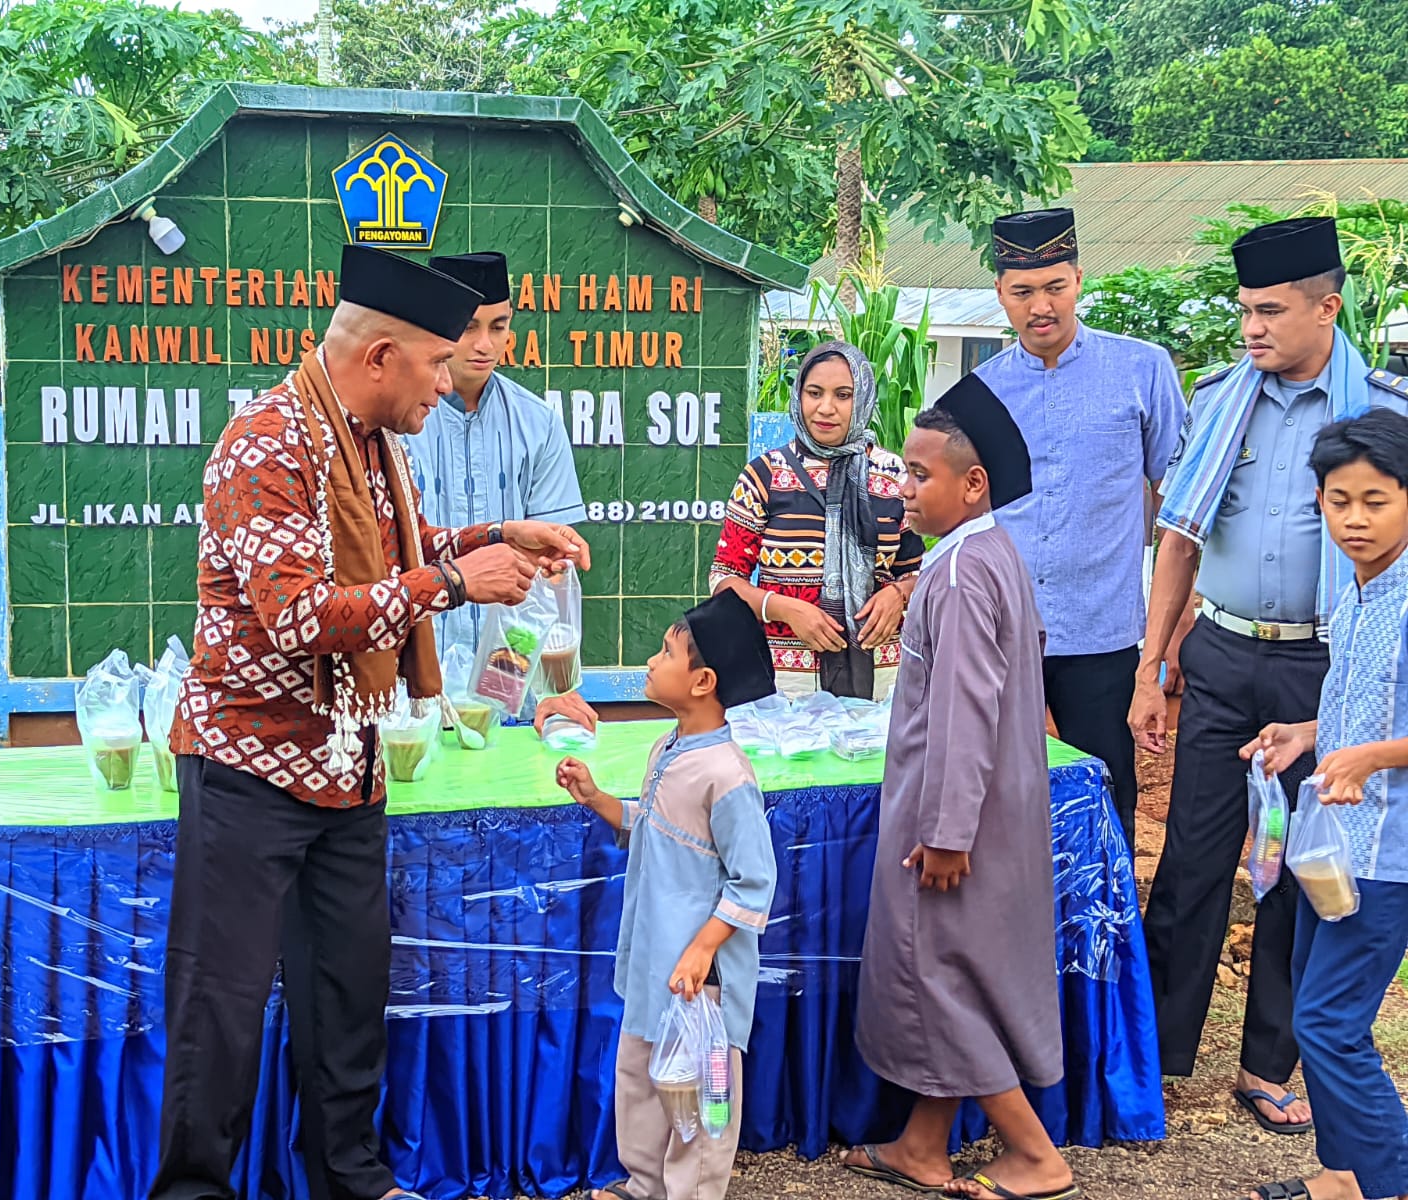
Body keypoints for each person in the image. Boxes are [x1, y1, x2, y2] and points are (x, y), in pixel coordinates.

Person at [152, 244, 589, 1200]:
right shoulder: (264, 442)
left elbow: (398, 552)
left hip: (347, 761)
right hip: (248, 767)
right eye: (439, 361)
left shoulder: (373, 444)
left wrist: (491, 537)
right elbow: (301, 613)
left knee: (347, 990)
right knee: (219, 1006)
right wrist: (450, 584)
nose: (451, 379)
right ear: (382, 356)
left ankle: (349, 1176)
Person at [1132, 216, 1408, 1136]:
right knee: (1193, 859)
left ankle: (1267, 1064)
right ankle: (1164, 1058)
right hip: (1219, 653)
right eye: (1245, 310)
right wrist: (1151, 664)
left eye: (1272, 311)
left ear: (1327, 308)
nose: (1252, 328)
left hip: (1325, 668)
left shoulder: (1382, 414)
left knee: (1300, 868)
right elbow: (1180, 537)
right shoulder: (1220, 402)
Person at [845, 374, 1076, 1200]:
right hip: (990, 810)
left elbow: (964, 714)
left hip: (956, 823)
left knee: (939, 977)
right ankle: (921, 1145)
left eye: (919, 474)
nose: (902, 490)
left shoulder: (954, 575)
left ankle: (1035, 1155)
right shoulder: (989, 556)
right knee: (947, 967)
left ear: (972, 485)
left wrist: (944, 831)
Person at [556, 587, 778, 1200]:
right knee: (643, 1078)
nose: (652, 662)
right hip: (654, 964)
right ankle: (645, 1182)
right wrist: (600, 800)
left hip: (702, 986)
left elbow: (755, 880)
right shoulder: (668, 747)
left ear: (703, 680)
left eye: (666, 652)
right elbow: (655, 827)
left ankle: (690, 1191)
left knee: (701, 1099)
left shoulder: (728, 775)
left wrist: (704, 948)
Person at [976, 207, 1186, 850]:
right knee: (1005, 805)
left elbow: (1180, 506)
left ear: (1078, 281)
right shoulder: (980, 391)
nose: (1042, 306)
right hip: (1006, 643)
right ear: (1000, 295)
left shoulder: (1143, 370)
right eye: (1023, 291)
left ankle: (1106, 944)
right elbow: (970, 522)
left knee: (1105, 804)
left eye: (1055, 287)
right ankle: (1016, 943)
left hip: (1107, 640)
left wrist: (1171, 636)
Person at [1240, 409, 1408, 1200]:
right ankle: (1344, 1176)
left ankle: (1386, 1182)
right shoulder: (1362, 591)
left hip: (1390, 855)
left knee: (1331, 1027)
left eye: (1376, 500)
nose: (1356, 519)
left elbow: (1385, 736)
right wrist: (1308, 733)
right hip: (1332, 842)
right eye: (1340, 500)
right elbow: (1368, 702)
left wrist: (1375, 757)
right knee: (1318, 1013)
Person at [401, 249, 598, 735]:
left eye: (499, 325)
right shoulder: (397, 421)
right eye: (468, 326)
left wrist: (556, 690)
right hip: (408, 683)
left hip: (511, 679)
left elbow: (554, 572)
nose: (485, 344)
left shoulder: (538, 422)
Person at [709, 340, 925, 700]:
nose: (826, 408)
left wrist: (898, 595)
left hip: (882, 681)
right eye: (814, 393)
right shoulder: (765, 476)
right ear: (799, 396)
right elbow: (722, 578)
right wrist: (783, 608)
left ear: (864, 399)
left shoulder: (893, 477)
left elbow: (922, 573)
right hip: (784, 685)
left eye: (843, 395)